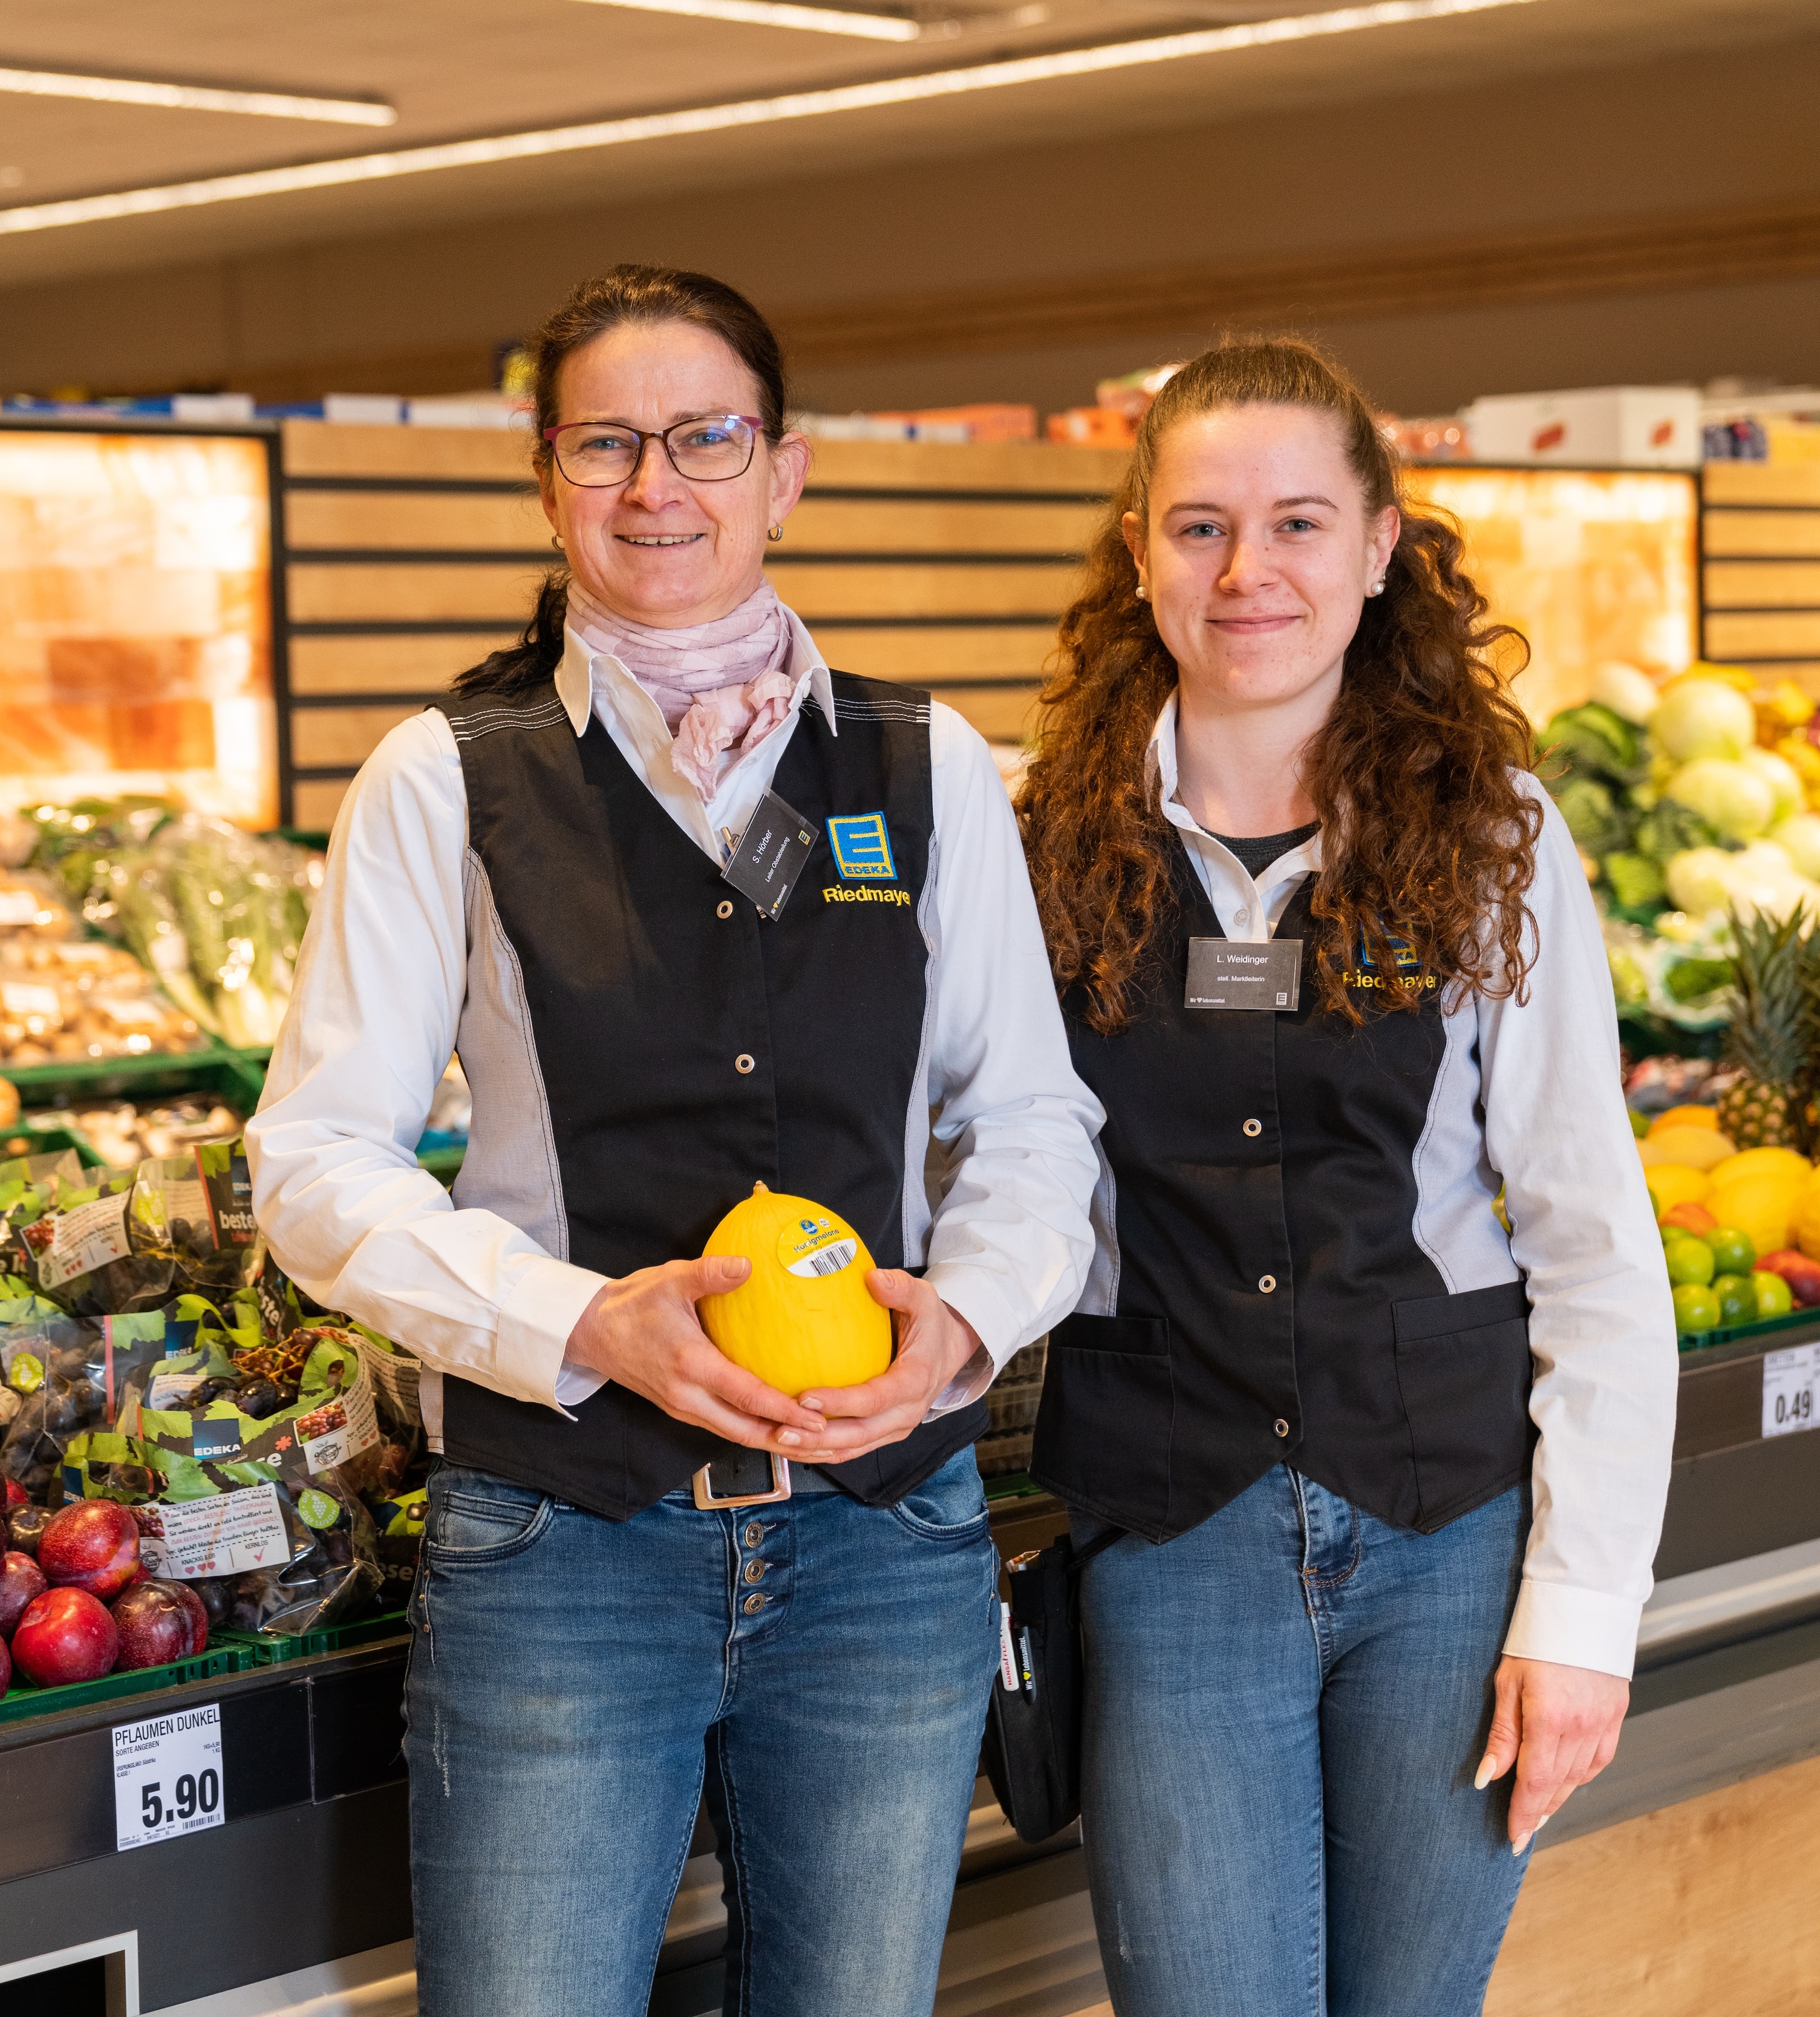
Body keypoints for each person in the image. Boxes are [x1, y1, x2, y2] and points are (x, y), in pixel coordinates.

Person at [249, 264, 1101, 2017]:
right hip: (564, 1547)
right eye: (606, 444)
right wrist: (579, 1322)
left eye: (706, 439)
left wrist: (965, 1319)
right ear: (547, 480)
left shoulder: (930, 765)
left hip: (883, 1542)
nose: (657, 486)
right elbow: (318, 1158)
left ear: (784, 473)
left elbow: (1028, 1115)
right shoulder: (443, 776)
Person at [1013, 337, 1678, 2017]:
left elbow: (1594, 1240)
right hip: (1172, 1538)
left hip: (1447, 1538)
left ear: (1380, 548)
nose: (1249, 571)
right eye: (1201, 528)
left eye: (1300, 524)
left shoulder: (1496, 835)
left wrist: (1583, 1615)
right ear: (1141, 554)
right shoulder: (1032, 843)